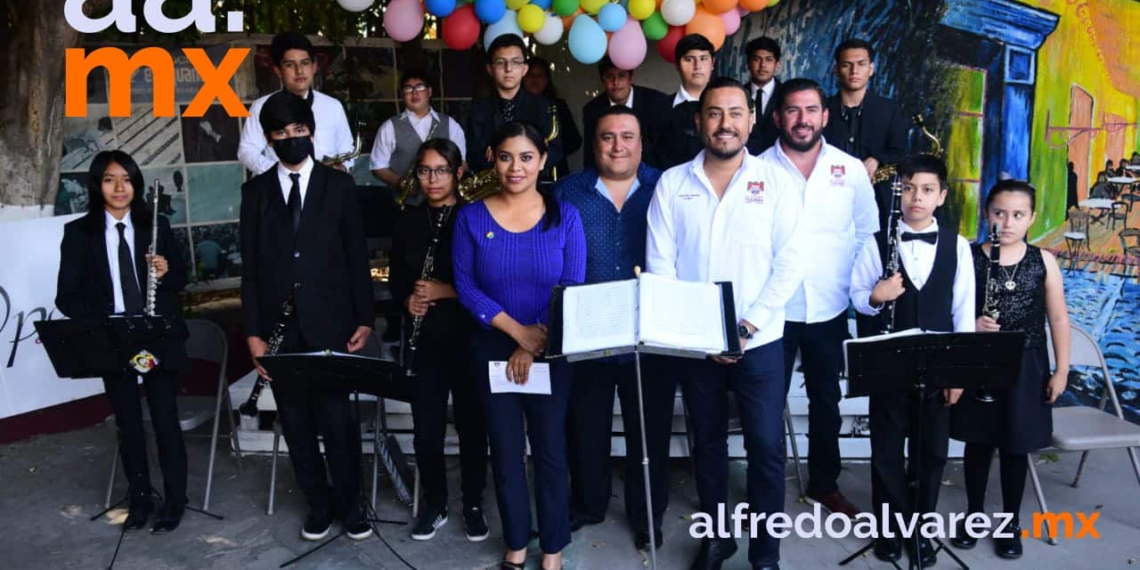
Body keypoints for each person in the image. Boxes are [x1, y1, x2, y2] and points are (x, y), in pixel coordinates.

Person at [646, 77, 803, 570]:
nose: (725, 123)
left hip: (760, 343)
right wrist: (701, 334)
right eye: (714, 113)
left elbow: (791, 262)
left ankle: (765, 553)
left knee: (765, 448)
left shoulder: (777, 182)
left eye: (736, 113)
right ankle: (718, 539)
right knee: (707, 444)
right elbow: (661, 269)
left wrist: (746, 327)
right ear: (698, 121)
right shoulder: (673, 184)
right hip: (697, 347)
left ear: (752, 121)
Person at [239, 91, 374, 542]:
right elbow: (252, 269)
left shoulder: (339, 186)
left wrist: (365, 317)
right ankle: (319, 505)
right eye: (281, 133)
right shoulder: (254, 193)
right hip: (281, 333)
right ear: (269, 140)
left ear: (311, 132)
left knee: (338, 421)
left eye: (299, 131)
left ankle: (352, 506)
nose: (292, 139)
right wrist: (254, 334)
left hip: (332, 324)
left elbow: (357, 256)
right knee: (295, 423)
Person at [452, 121, 586, 570]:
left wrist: (533, 342)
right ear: (492, 156)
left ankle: (552, 549)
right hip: (491, 346)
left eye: (527, 157)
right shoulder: (471, 216)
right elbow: (466, 286)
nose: (516, 167)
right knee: (506, 450)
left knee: (550, 448)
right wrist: (516, 333)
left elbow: (573, 283)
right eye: (507, 156)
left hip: (551, 345)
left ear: (543, 161)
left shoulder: (564, 215)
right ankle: (515, 543)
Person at [757, 78, 878, 516]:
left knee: (827, 400)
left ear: (825, 116)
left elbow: (866, 232)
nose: (802, 119)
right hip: (773, 312)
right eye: (792, 110)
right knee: (765, 403)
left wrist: (857, 290)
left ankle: (824, 483)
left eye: (811, 109)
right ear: (777, 117)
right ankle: (763, 487)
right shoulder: (757, 171)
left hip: (829, 306)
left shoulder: (849, 171)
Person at [849, 154, 975, 568]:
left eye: (926, 190)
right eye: (908, 188)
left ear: (940, 196)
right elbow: (856, 296)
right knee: (886, 448)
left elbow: (963, 312)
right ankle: (888, 532)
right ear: (898, 191)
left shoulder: (957, 245)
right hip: (890, 366)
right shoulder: (876, 242)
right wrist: (875, 296)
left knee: (932, 451)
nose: (915, 197)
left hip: (938, 368)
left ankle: (920, 530)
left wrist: (959, 373)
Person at [553, 106, 670, 551]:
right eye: (607, 137)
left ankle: (647, 515)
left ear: (641, 144)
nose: (617, 145)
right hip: (590, 332)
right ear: (594, 142)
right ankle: (588, 504)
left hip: (651, 335)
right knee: (585, 427)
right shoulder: (568, 192)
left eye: (627, 136)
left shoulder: (666, 187)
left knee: (650, 432)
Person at [56, 150, 190, 534]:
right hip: (113, 339)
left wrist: (166, 272)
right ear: (97, 186)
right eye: (110, 179)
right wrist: (102, 324)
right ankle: (141, 498)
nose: (119, 187)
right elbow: (67, 296)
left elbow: (181, 279)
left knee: (165, 420)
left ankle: (175, 500)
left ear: (137, 184)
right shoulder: (79, 233)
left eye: (127, 179)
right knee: (128, 423)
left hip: (155, 336)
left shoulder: (156, 225)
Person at [949, 180, 1071, 559]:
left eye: (1018, 215)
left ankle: (1009, 522)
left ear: (1031, 218)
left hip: (1026, 363)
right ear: (987, 213)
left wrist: (1061, 370)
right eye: (999, 213)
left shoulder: (1042, 260)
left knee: (1015, 445)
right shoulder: (969, 258)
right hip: (981, 360)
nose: (1007, 222)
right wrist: (972, 323)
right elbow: (953, 311)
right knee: (979, 441)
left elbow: (1058, 317)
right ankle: (972, 514)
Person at [389, 139, 489, 542]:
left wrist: (444, 291)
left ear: (458, 173)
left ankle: (473, 504)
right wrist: (408, 300)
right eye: (425, 171)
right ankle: (434, 504)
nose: (432, 179)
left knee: (472, 427)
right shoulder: (408, 221)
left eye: (441, 170)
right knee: (425, 431)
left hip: (467, 339)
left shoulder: (475, 216)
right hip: (425, 342)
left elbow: (486, 280)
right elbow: (397, 278)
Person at [238, 32, 356, 175]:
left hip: (326, 186)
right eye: (290, 65)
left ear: (314, 67)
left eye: (305, 63)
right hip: (280, 189)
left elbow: (347, 148)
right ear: (278, 70)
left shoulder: (333, 106)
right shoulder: (262, 106)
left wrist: (341, 168)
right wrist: (283, 173)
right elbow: (247, 151)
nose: (299, 71)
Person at [465, 35, 564, 180]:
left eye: (515, 62)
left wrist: (501, 155)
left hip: (534, 188)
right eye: (500, 62)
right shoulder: (479, 108)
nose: (508, 69)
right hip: (492, 190)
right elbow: (473, 155)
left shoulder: (543, 106)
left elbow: (556, 151)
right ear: (490, 69)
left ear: (524, 69)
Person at [369, 69, 467, 189]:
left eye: (420, 87)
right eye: (408, 88)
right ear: (402, 94)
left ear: (429, 91)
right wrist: (399, 182)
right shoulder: (389, 127)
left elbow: (461, 162)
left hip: (445, 200)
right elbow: (377, 166)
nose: (414, 93)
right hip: (406, 203)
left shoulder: (450, 124)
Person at [581, 56, 669, 170]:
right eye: (609, 77)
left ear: (631, 78)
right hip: (609, 177)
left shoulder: (657, 102)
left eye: (621, 76)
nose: (616, 82)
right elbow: (591, 155)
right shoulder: (592, 110)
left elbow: (665, 151)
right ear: (602, 80)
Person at [655, 34, 716, 169]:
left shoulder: (729, 107)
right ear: (677, 65)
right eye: (689, 59)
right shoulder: (659, 109)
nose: (697, 66)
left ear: (713, 63)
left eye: (703, 59)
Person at [524, 57, 582, 177]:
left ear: (547, 80)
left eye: (539, 75)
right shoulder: (515, 106)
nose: (534, 79)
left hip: (555, 171)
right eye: (530, 75)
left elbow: (574, 141)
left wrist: (551, 154)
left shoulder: (558, 106)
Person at [744, 36, 783, 155]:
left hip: (778, 161)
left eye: (769, 59)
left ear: (777, 64)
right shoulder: (738, 94)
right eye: (757, 59)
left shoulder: (786, 95)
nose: (763, 65)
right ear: (748, 63)